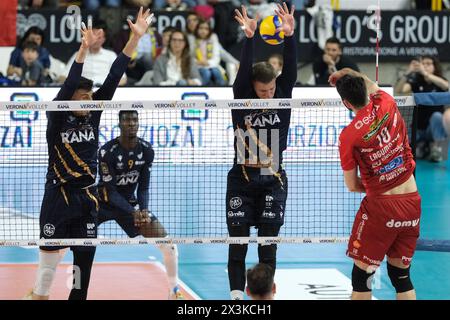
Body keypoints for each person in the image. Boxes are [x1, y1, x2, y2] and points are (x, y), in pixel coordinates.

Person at [24, 7, 152, 300]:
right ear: (67, 100)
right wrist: (82, 50)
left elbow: (115, 73)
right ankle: (39, 295)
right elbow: (70, 83)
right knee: (47, 266)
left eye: (89, 96)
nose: (88, 99)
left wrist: (134, 39)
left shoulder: (93, 113)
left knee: (83, 265)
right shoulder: (57, 117)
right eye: (82, 96)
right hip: (58, 196)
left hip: (86, 198)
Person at [329, 68, 421, 300]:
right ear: (366, 92)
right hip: (413, 202)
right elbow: (370, 82)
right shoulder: (386, 101)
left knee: (362, 278)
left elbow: (352, 185)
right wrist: (346, 72)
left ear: (347, 103)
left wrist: (377, 186)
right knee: (401, 276)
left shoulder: (349, 136)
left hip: (382, 206)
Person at [226, 3, 296, 300]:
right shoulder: (242, 95)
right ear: (252, 88)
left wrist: (290, 37)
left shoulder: (283, 93)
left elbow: (290, 70)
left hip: (272, 179)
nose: (267, 95)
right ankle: (237, 298)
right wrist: (250, 38)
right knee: (238, 245)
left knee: (267, 246)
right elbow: (242, 74)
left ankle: (265, 295)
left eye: (270, 90)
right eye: (262, 91)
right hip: (241, 179)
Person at [97, 110, 184, 300]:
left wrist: (142, 210)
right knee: (66, 241)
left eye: (134, 119)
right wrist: (133, 211)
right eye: (127, 120)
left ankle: (174, 290)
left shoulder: (146, 150)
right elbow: (111, 192)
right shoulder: (107, 152)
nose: (131, 123)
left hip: (129, 206)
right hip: (102, 204)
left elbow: (143, 187)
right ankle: (40, 288)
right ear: (119, 123)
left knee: (169, 246)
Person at [395, 55, 450, 162]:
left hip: (433, 129)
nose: (425, 66)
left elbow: (447, 86)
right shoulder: (416, 82)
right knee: (413, 153)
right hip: (417, 129)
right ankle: (423, 147)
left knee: (437, 116)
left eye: (428, 64)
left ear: (435, 66)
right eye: (423, 64)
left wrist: (425, 73)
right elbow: (399, 89)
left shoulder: (440, 81)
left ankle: (437, 148)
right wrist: (408, 72)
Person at [62, 19, 127, 87]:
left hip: (104, 91)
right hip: (82, 92)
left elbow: (123, 79)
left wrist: (107, 86)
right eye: (92, 36)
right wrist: (79, 85)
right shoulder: (79, 54)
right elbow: (62, 77)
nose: (95, 40)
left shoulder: (111, 55)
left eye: (98, 37)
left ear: (104, 39)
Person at [192, 19, 227, 85]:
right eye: (201, 28)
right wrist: (198, 62)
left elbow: (216, 57)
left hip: (211, 65)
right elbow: (190, 57)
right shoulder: (193, 40)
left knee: (216, 71)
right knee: (206, 73)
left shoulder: (213, 38)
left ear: (209, 30)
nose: (203, 31)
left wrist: (207, 62)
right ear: (196, 29)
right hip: (198, 66)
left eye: (206, 29)